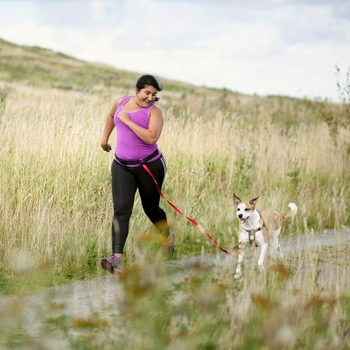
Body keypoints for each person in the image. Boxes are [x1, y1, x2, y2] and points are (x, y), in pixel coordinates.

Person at [100, 74, 174, 274]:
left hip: (148, 166)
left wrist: (128, 120)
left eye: (154, 94)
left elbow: (151, 138)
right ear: (137, 90)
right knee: (121, 210)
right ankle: (117, 259)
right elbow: (110, 117)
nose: (150, 98)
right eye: (146, 93)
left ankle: (167, 236)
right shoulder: (121, 102)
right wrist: (104, 139)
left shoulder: (154, 112)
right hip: (121, 165)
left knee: (150, 208)